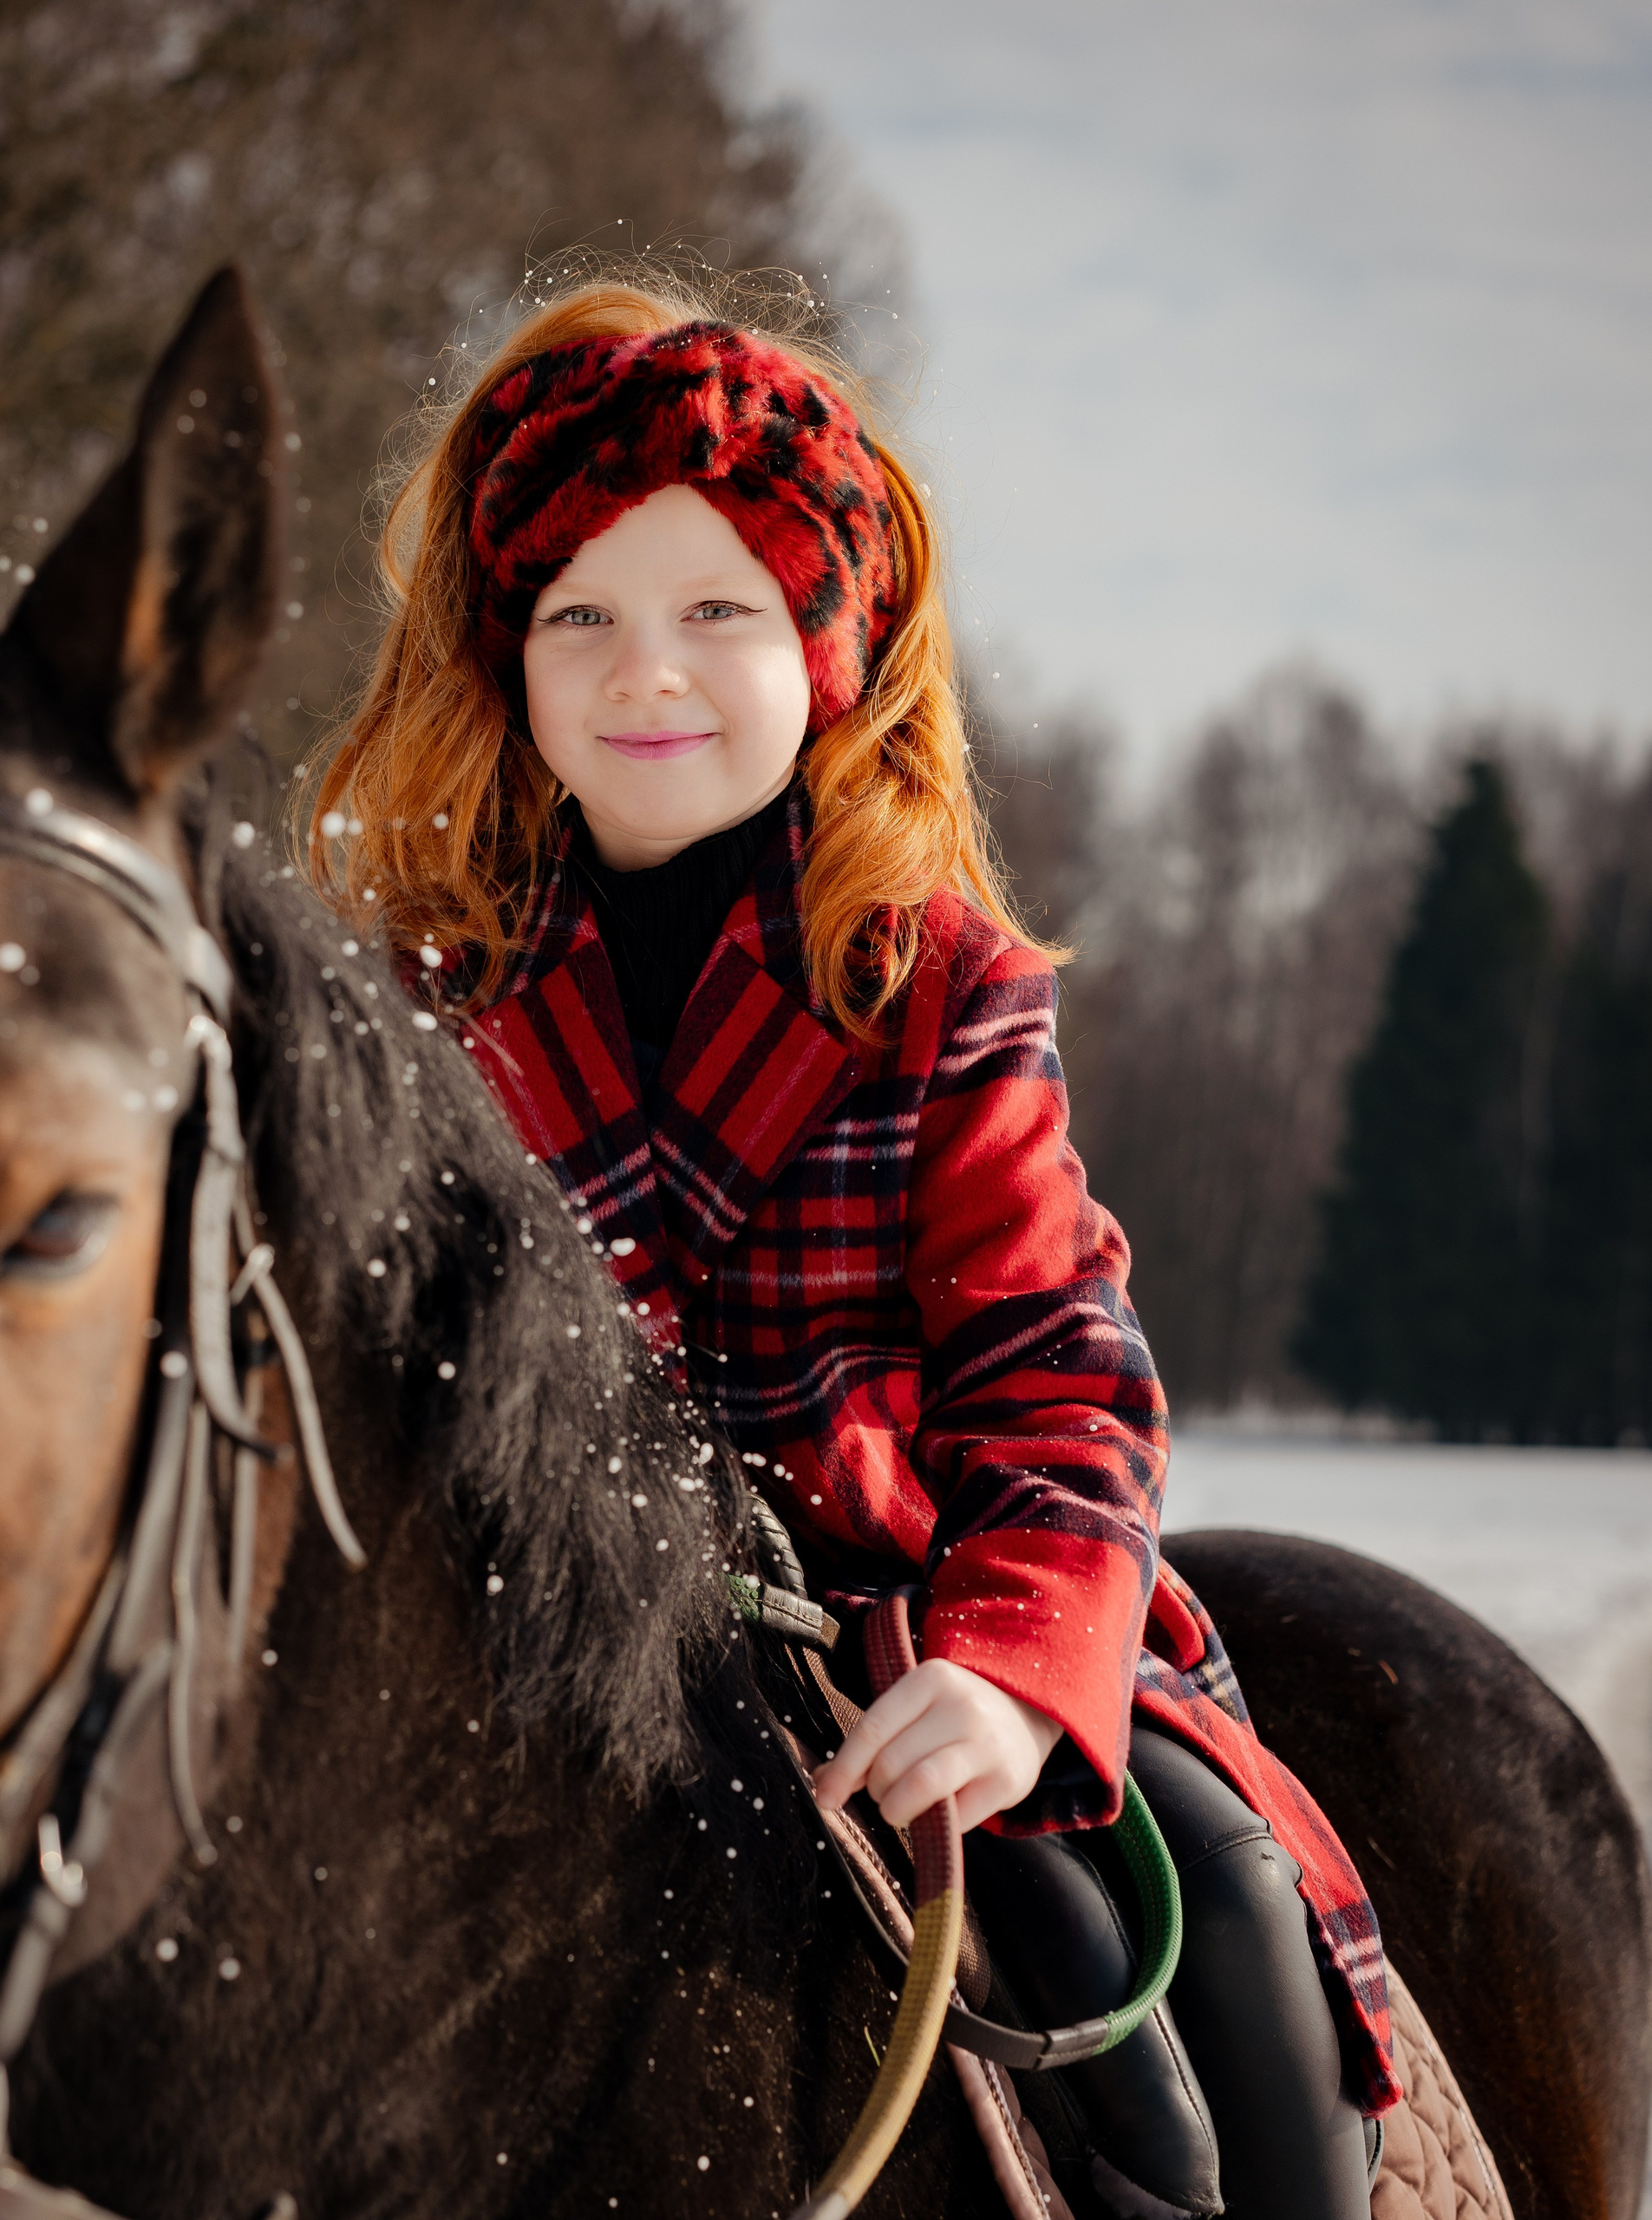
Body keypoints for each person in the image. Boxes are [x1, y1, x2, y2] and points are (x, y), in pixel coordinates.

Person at [304, 277, 1395, 2217]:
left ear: (830, 640)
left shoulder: (932, 983)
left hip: (903, 1634)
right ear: (508, 659)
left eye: (716, 609)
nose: (649, 673)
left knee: (1218, 1925)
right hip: (522, 1648)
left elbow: (1056, 1367)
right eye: (585, 619)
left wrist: (1001, 1665)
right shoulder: (418, 996)